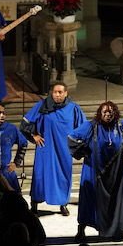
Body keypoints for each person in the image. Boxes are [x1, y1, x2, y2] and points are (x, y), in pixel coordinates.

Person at [68, 101, 123, 242]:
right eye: (105, 113)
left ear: (115, 113)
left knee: (117, 201)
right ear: (100, 113)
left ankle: (117, 230)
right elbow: (72, 138)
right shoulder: (91, 127)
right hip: (94, 172)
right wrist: (84, 150)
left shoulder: (121, 127)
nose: (107, 115)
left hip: (117, 173)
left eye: (110, 113)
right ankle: (81, 230)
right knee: (90, 201)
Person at [20, 81, 86, 216]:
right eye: (55, 92)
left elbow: (83, 128)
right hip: (46, 149)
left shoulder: (73, 108)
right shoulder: (42, 106)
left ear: (66, 93)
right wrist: (34, 135)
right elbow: (25, 123)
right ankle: (35, 204)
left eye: (60, 92)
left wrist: (78, 146)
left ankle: (63, 204)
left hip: (64, 150)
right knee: (40, 176)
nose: (57, 95)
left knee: (63, 176)